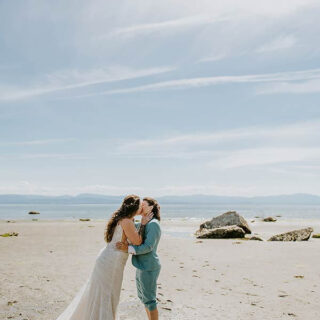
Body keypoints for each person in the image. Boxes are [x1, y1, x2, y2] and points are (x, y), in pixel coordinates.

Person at [56, 194, 153, 320]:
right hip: (113, 262)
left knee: (102, 293)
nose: (142, 208)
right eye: (140, 206)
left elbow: (126, 239)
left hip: (107, 258)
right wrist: (144, 223)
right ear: (134, 207)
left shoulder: (123, 218)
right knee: (109, 294)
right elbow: (137, 241)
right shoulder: (127, 221)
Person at [116, 197, 161, 320]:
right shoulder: (145, 222)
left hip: (149, 266)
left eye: (144, 205)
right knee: (143, 298)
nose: (141, 207)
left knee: (150, 301)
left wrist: (128, 249)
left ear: (151, 208)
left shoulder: (154, 224)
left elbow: (148, 247)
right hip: (141, 265)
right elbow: (130, 226)